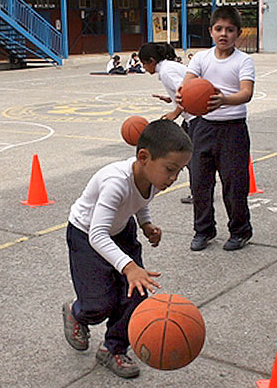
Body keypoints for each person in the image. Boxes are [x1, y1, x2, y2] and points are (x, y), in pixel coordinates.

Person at [62, 119, 192, 379]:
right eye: (170, 169)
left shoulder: (153, 177)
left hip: (121, 231)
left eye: (180, 171)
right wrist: (129, 266)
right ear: (143, 157)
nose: (173, 178)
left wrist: (146, 223)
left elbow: (140, 199)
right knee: (99, 303)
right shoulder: (115, 182)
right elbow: (97, 235)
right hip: (86, 235)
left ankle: (113, 348)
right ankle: (77, 312)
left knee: (135, 295)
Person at [175, 6, 255, 252]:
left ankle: (240, 231)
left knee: (234, 185)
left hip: (233, 129)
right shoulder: (201, 58)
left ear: (237, 34)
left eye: (230, 30)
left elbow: (246, 92)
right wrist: (181, 97)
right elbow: (187, 85)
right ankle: (203, 230)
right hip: (202, 127)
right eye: (219, 29)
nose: (224, 34)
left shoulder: (243, 60)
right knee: (200, 183)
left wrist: (224, 100)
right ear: (210, 31)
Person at [139, 42, 194, 204]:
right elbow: (182, 88)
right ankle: (198, 191)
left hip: (195, 118)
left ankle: (199, 192)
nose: (143, 67)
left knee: (191, 158)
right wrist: (170, 98)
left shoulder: (166, 71)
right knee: (190, 158)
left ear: (151, 60)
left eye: (144, 64)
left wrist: (174, 113)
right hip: (191, 117)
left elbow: (187, 93)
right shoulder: (169, 67)